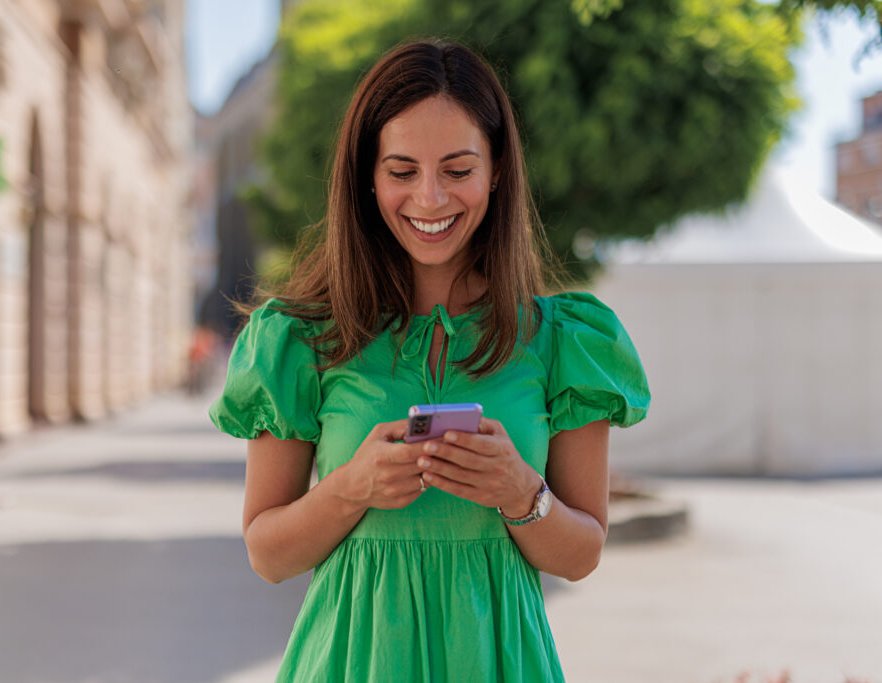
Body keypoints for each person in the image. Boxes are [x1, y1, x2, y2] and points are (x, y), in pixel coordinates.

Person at [209, 39, 650, 682]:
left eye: (457, 169)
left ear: (496, 170)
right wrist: (351, 488)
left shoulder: (562, 339)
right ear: (368, 177)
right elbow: (268, 555)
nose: (431, 198)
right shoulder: (301, 338)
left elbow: (580, 555)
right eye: (402, 171)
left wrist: (521, 492)